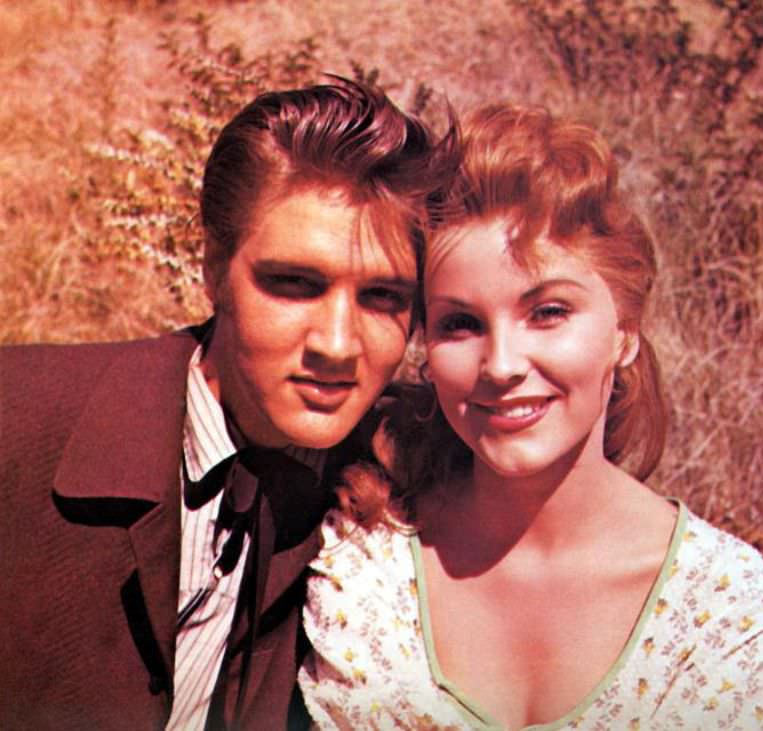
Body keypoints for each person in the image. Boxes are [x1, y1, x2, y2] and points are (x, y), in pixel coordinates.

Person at [298, 104, 763, 729]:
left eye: (549, 312)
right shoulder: (364, 563)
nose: (501, 365)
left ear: (625, 333)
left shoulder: (723, 611)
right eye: (460, 324)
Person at [0, 78, 458, 730]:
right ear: (214, 268)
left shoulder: (398, 480)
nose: (335, 344)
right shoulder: (16, 420)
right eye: (294, 284)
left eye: (382, 298)